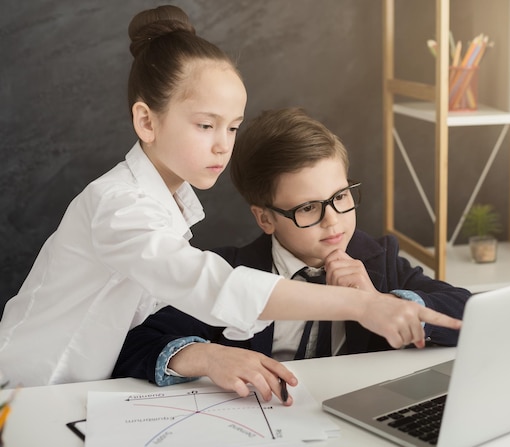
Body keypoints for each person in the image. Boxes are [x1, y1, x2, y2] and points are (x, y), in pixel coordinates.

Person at [0, 6, 461, 389]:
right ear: (146, 122)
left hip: (74, 391)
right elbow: (212, 286)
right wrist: (365, 305)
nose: (224, 144)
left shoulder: (167, 209)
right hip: (27, 387)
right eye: (206, 125)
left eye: (233, 127)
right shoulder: (119, 207)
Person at [112, 107, 471, 404]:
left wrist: (383, 303)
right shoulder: (228, 271)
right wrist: (208, 357)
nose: (334, 222)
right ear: (265, 218)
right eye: (309, 208)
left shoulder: (379, 260)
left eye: (341, 197)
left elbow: (466, 313)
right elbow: (134, 344)